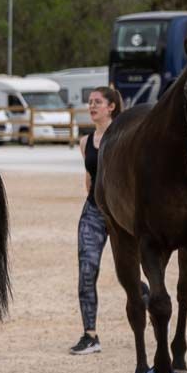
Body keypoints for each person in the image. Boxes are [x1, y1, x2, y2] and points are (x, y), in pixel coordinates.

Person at [70, 86, 123, 355]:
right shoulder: (84, 142)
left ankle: (147, 298)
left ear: (111, 107)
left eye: (97, 102)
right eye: (90, 102)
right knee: (87, 272)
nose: (92, 106)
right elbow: (89, 179)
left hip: (122, 213)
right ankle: (90, 335)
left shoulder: (124, 137)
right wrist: (93, 204)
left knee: (131, 273)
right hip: (93, 212)